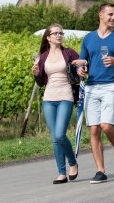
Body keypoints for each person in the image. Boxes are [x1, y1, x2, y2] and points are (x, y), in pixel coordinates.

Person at [72, 3, 114, 184]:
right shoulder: (89, 38)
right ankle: (100, 171)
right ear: (100, 15)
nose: (113, 18)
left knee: (106, 125)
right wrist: (81, 69)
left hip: (111, 85)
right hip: (91, 87)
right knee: (94, 129)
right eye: (110, 14)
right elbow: (84, 60)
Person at [32, 24, 79, 184]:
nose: (59, 35)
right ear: (48, 37)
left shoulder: (69, 53)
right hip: (49, 98)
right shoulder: (43, 57)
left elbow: (81, 70)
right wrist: (37, 74)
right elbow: (40, 82)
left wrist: (80, 69)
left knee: (60, 134)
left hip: (65, 95)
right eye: (56, 33)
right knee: (54, 138)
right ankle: (61, 172)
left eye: (61, 33)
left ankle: (72, 162)